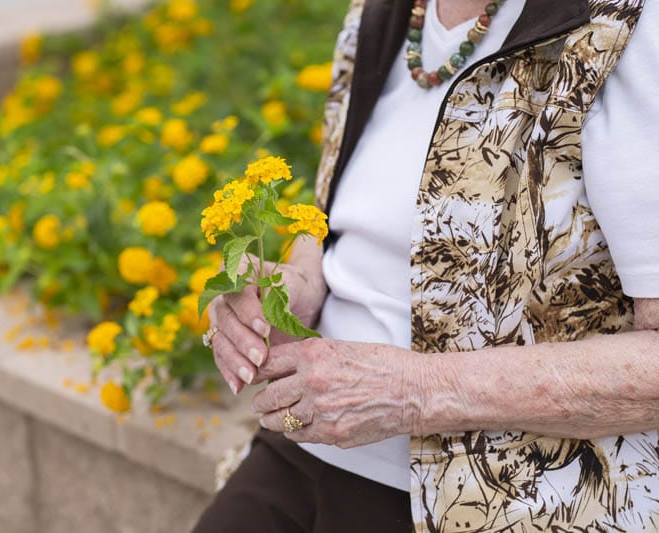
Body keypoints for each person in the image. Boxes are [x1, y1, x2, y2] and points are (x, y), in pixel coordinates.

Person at [193, 0, 659, 531]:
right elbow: (347, 216)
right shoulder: (380, 17)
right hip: (307, 450)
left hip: (506, 500)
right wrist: (297, 284)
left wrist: (416, 389)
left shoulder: (626, 28)